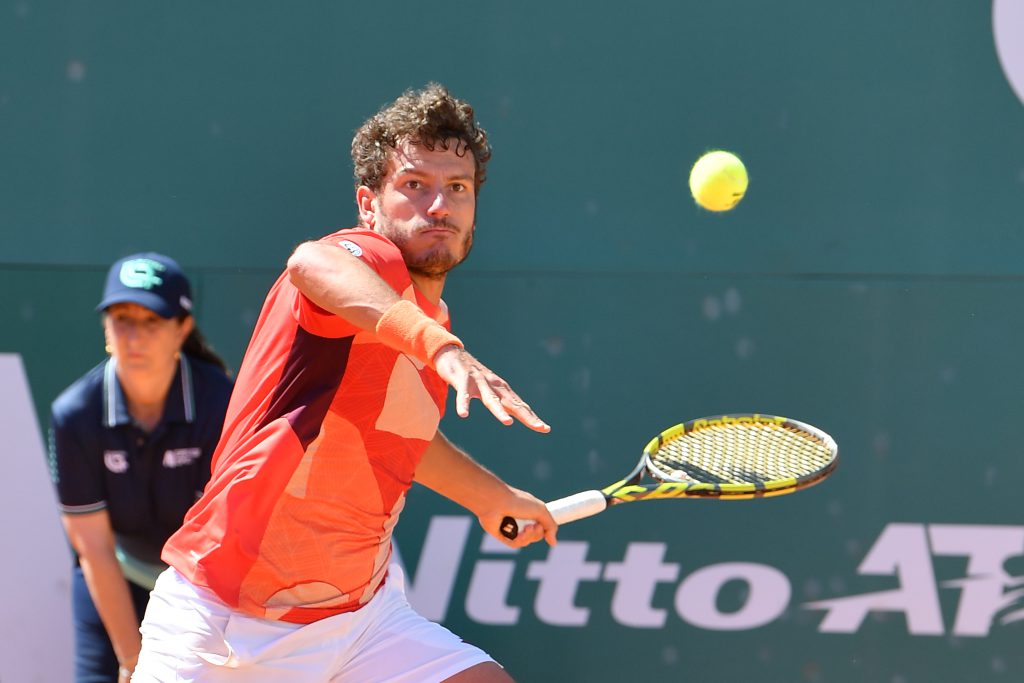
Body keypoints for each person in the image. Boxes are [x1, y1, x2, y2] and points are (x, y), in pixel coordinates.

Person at [132, 83, 557, 683]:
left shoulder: (425, 318)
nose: (438, 205)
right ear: (368, 204)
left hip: (361, 621)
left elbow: (395, 436)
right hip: (227, 624)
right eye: (414, 185)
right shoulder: (371, 264)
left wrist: (492, 498)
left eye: (456, 188)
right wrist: (442, 351)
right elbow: (311, 263)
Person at [48, 253, 234, 683]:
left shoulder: (223, 404)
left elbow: (225, 538)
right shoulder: (75, 414)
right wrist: (133, 661)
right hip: (118, 576)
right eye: (121, 318)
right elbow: (93, 547)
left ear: (182, 328)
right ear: (106, 329)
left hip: (202, 585)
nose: (134, 336)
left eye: (152, 321)